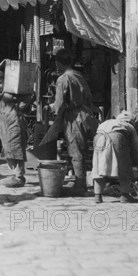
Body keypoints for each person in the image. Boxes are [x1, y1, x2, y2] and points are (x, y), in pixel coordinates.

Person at [50, 49, 98, 196]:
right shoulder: (79, 75)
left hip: (74, 118)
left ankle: (80, 184)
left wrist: (51, 109)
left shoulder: (63, 79)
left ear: (58, 63)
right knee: (84, 151)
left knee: (76, 151)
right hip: (87, 115)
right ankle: (82, 181)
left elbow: (59, 105)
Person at [0, 61, 30, 188]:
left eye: (0, 83)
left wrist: (20, 107)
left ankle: (19, 176)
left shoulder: (10, 94)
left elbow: (27, 96)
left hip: (14, 125)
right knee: (8, 150)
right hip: (3, 128)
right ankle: (15, 174)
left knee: (16, 150)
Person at [91, 111, 138, 204]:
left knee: (98, 166)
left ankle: (97, 195)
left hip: (98, 137)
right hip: (116, 136)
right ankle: (125, 195)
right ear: (130, 121)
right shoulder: (128, 126)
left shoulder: (106, 122)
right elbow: (137, 147)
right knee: (124, 166)